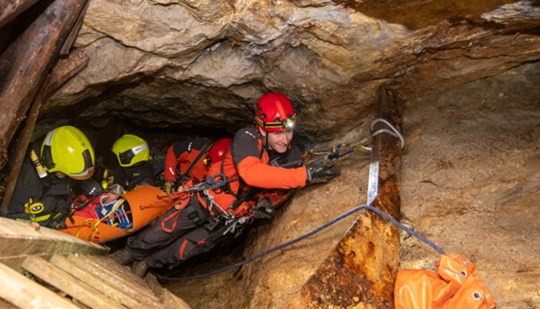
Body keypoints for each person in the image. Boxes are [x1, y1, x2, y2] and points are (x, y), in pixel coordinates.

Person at [116, 92, 339, 276]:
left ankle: (147, 264)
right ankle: (130, 253)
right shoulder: (247, 137)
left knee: (182, 251)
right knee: (161, 231)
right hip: (202, 203)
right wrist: (304, 175)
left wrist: (266, 202)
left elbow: (279, 191)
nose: (285, 138)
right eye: (278, 132)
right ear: (262, 129)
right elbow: (251, 173)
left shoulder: (291, 158)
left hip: (227, 220)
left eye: (288, 131)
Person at [7, 125, 96, 228]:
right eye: (64, 174)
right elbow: (10, 218)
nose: (67, 178)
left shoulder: (58, 171)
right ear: (52, 164)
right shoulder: (24, 184)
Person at [162, 137, 232, 194]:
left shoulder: (228, 175)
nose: (209, 167)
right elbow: (173, 151)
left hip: (194, 191)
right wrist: (170, 179)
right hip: (178, 177)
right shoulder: (197, 147)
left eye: (212, 166)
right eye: (209, 162)